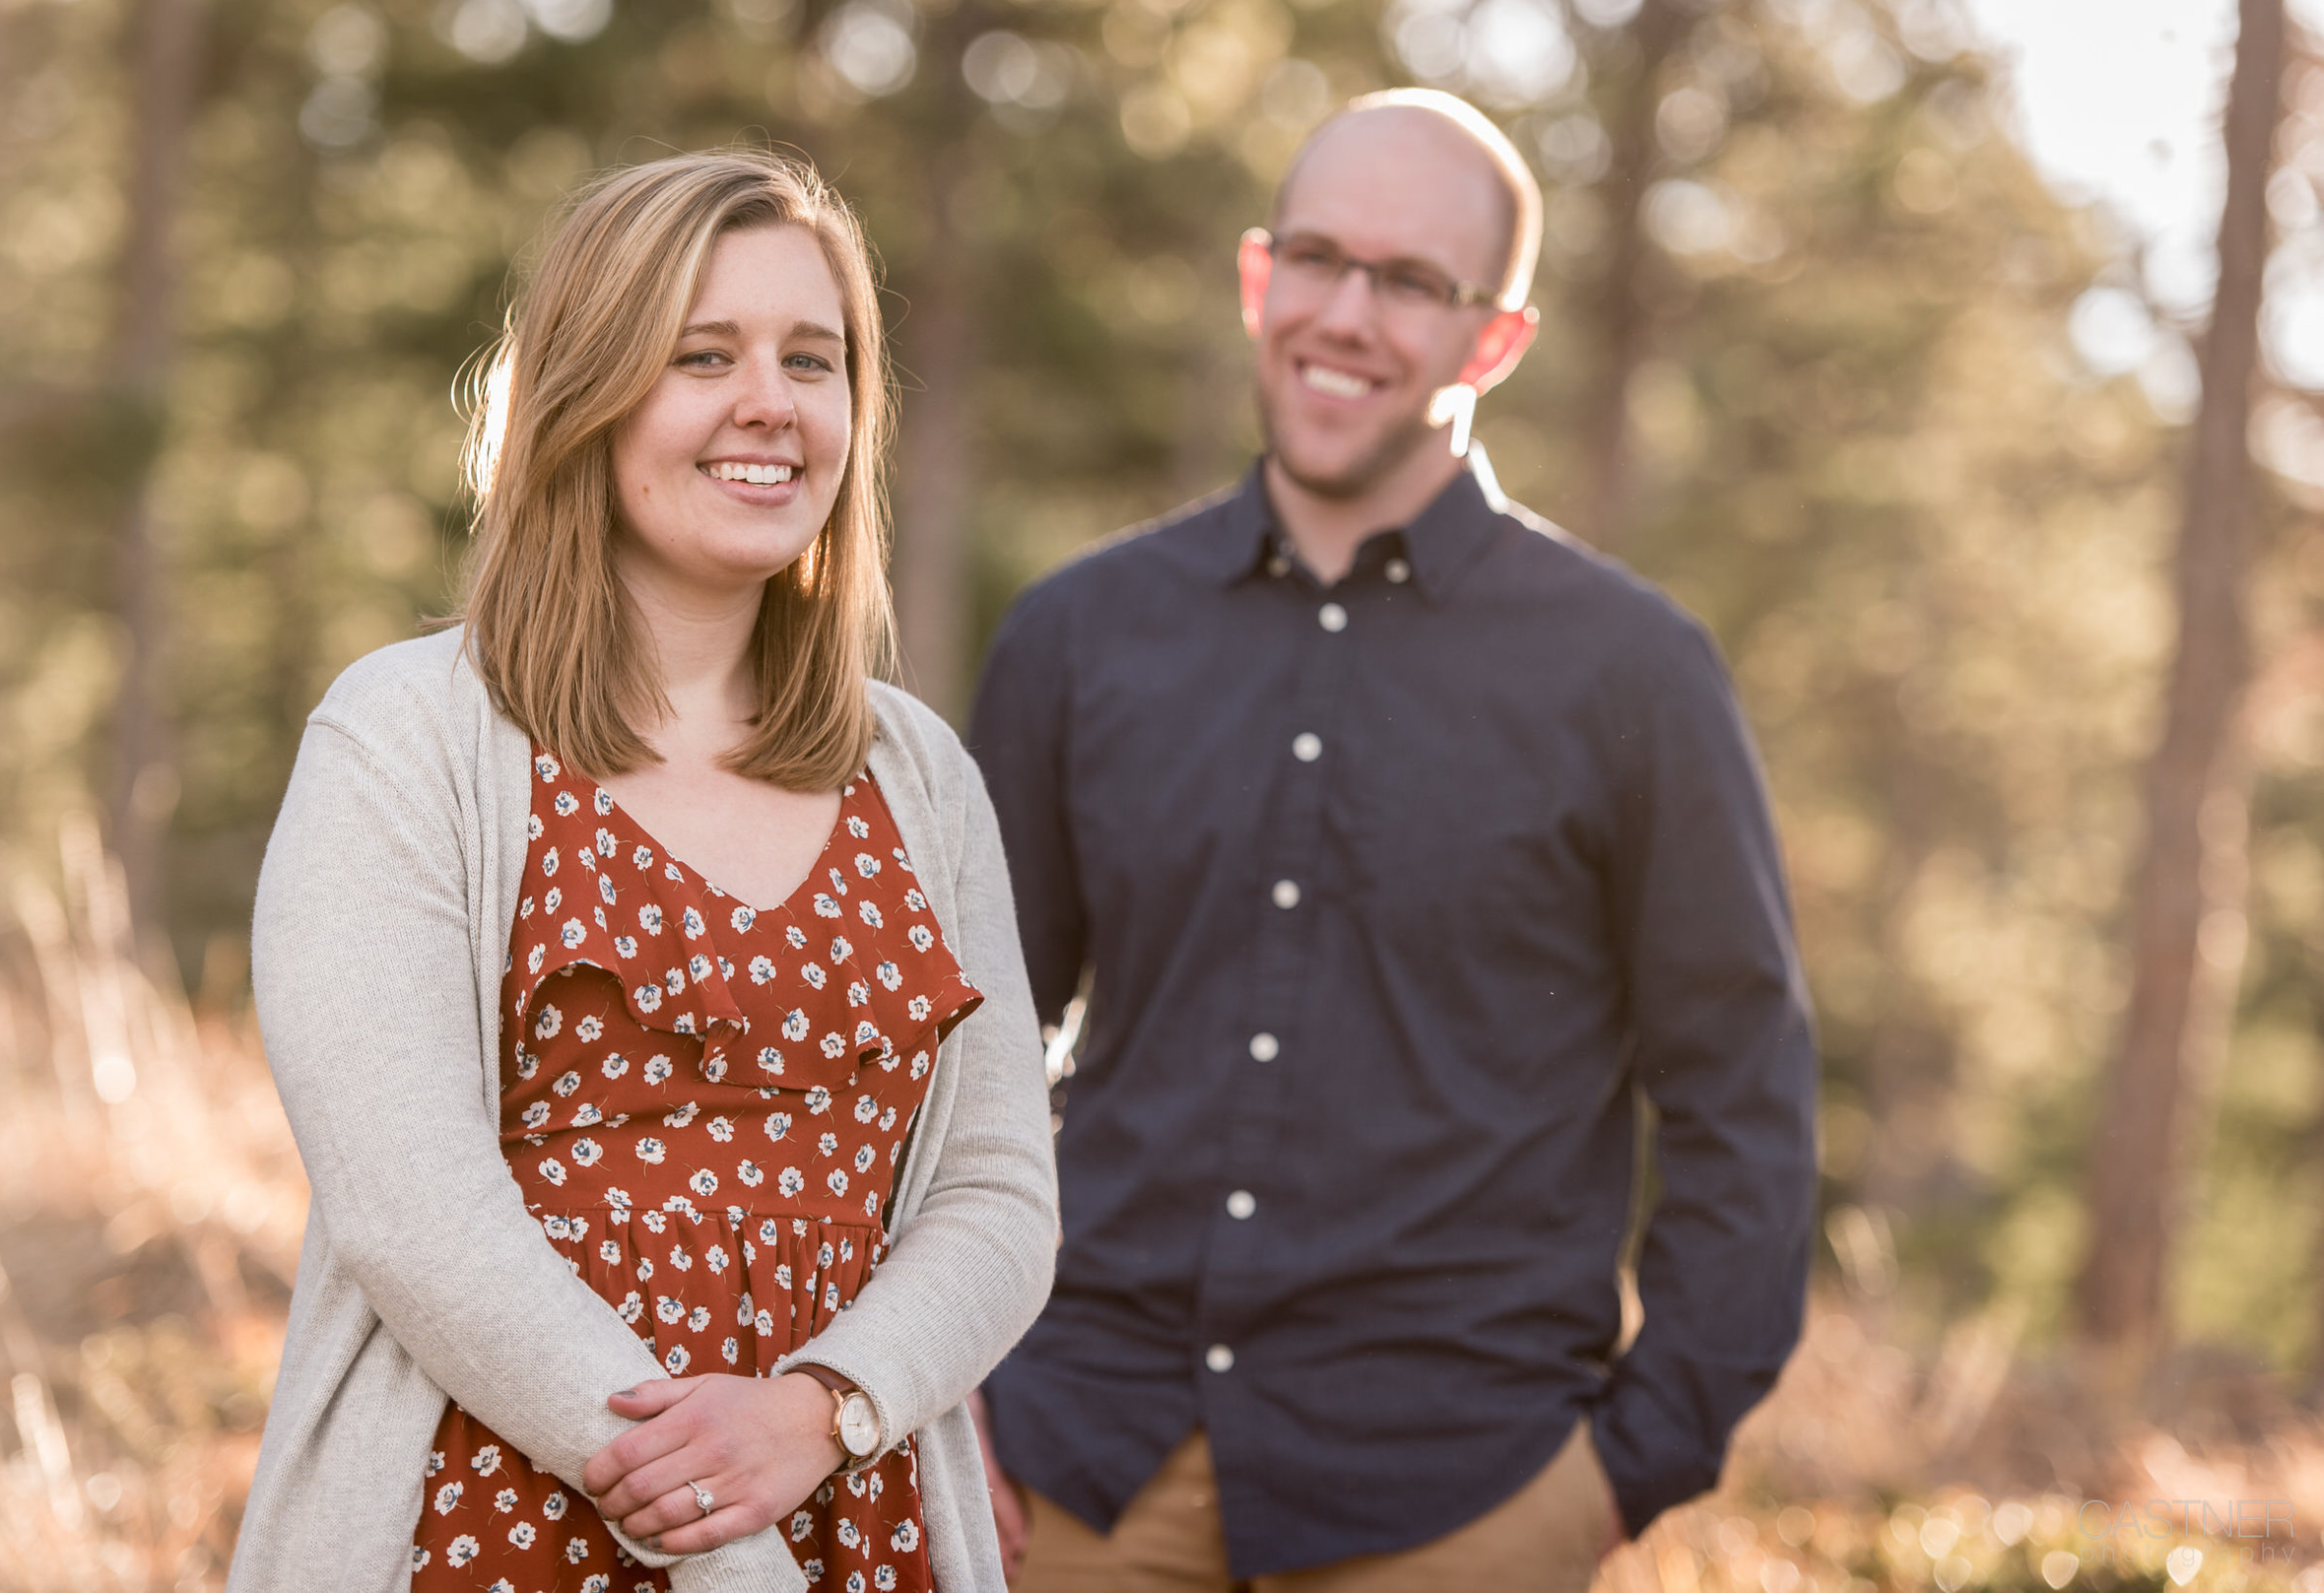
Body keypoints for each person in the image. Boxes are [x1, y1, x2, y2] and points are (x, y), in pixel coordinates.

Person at [965, 90, 1818, 1592]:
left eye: (1413, 282)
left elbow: (1743, 1099)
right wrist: (939, 1378)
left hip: (1459, 1491)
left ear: (1495, 338)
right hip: (1071, 1458)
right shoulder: (1078, 637)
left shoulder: (1634, 676)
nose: (1347, 314)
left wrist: (1628, 1467)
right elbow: (951, 1046)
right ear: (1258, 278)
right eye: (1318, 258)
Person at [230, 150, 1057, 1593]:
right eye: (702, 354)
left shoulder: (919, 776)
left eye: (815, 358)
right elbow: (414, 1211)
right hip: (500, 1518)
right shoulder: (409, 737)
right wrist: (721, 1531)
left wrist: (821, 1411)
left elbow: (999, 1195)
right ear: (587, 392)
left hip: (850, 1513)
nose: (771, 403)